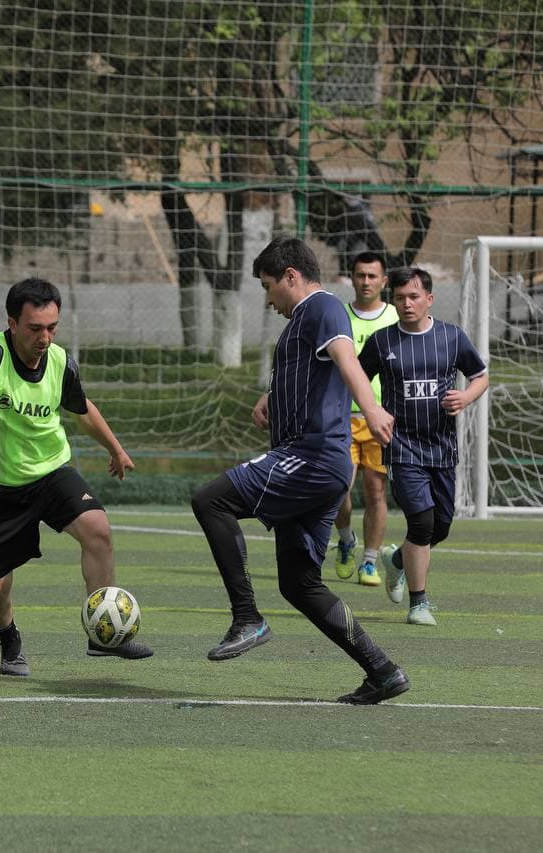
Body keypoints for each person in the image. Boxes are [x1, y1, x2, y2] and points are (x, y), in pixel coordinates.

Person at [190, 236, 409, 704]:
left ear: (292, 277)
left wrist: (370, 408)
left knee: (210, 500)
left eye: (269, 287)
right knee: (297, 583)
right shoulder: (299, 325)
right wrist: (275, 395)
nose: (267, 300)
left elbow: (346, 358)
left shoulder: (322, 306)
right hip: (318, 466)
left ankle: (247, 616)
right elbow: (315, 370)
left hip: (311, 456)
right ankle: (383, 671)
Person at [0, 277, 152, 677]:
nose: (44, 337)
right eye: (34, 328)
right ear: (11, 324)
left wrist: (115, 448)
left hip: (49, 472)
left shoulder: (61, 361)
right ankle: (9, 640)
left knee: (98, 528)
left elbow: (81, 410)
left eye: (51, 327)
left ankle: (103, 637)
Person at [359, 267, 489, 626]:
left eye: (414, 296)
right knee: (421, 521)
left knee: (440, 527)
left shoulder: (450, 337)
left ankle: (397, 560)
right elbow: (355, 379)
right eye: (399, 298)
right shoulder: (382, 342)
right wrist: (369, 411)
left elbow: (480, 376)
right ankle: (419, 604)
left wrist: (465, 397)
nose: (406, 303)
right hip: (402, 447)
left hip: (442, 447)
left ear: (429, 299)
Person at [332, 251, 399, 586]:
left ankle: (370, 562)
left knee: (375, 492)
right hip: (343, 417)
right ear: (352, 278)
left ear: (384, 281)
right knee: (337, 488)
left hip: (381, 419)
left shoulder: (395, 319)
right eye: (361, 275)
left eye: (373, 276)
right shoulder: (339, 317)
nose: (366, 282)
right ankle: (345, 540)